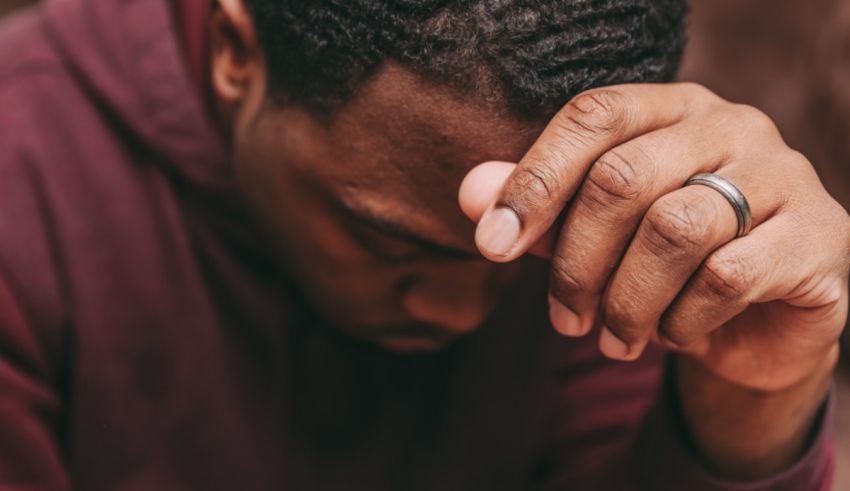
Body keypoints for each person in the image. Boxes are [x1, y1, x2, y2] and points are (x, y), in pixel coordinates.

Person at [0, 0, 846, 490]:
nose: (460, 309)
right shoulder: (25, 183)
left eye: (518, 264)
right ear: (235, 52)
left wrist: (752, 402)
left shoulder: (637, 199)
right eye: (385, 241)